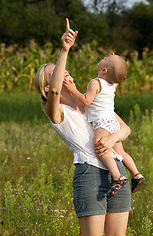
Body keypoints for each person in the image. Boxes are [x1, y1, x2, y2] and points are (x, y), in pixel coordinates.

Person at [34, 18, 132, 236]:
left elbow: (126, 129)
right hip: (90, 173)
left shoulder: (92, 102)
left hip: (118, 172)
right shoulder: (57, 111)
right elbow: (57, 92)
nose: (65, 72)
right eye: (57, 72)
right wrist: (65, 50)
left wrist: (110, 139)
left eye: (64, 69)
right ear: (48, 87)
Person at [64, 51, 145, 196]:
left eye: (105, 59)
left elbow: (86, 101)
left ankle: (117, 177)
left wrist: (73, 90)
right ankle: (136, 173)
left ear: (104, 70)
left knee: (100, 148)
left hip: (102, 122)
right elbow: (117, 77)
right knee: (120, 152)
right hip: (113, 121)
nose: (103, 58)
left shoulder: (95, 83)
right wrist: (114, 63)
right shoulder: (113, 85)